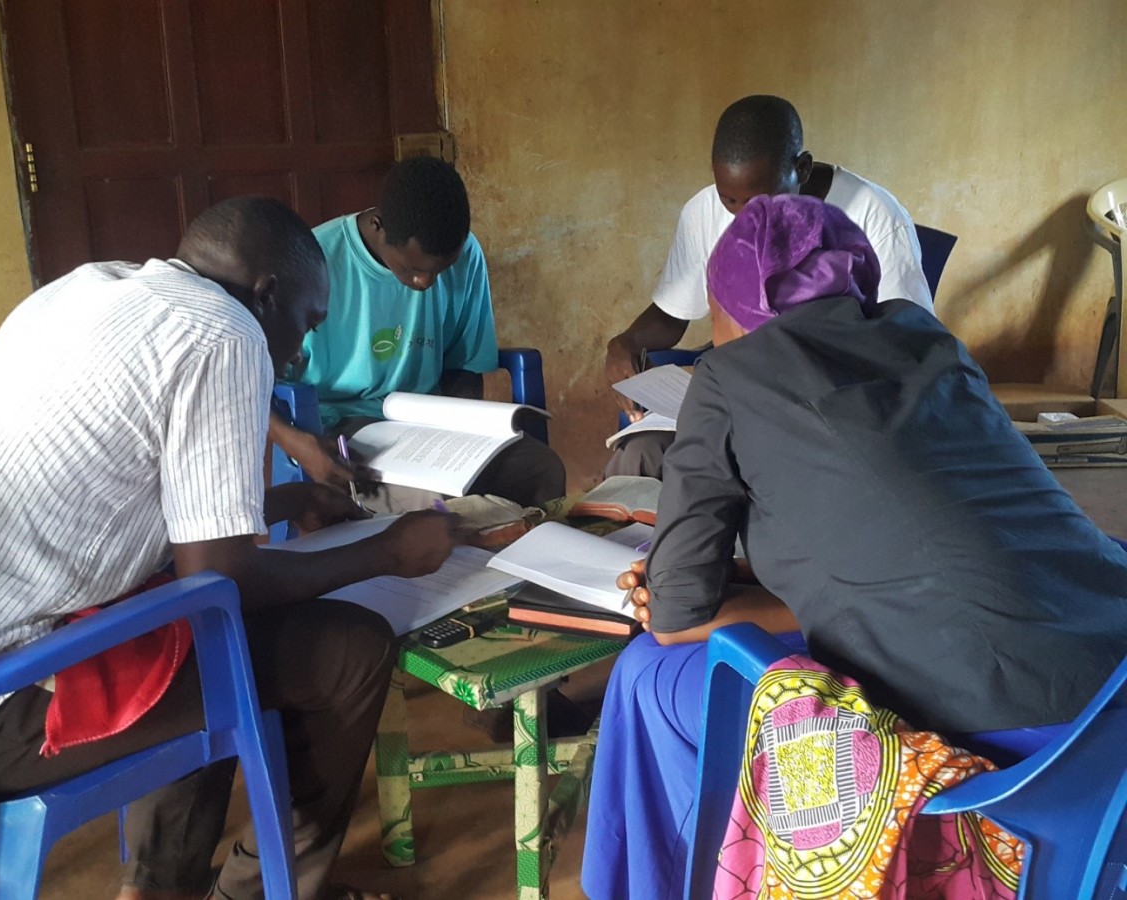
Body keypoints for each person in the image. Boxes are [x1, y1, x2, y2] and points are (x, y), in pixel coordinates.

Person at [582, 194, 1127, 899]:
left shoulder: (728, 375)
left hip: (1008, 719)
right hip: (1108, 688)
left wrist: (689, 597)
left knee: (648, 674)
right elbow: (908, 552)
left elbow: (676, 618)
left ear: (732, 309)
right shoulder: (927, 340)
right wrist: (741, 585)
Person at [0, 197, 460, 900]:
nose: (298, 354)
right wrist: (388, 552)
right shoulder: (226, 333)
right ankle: (254, 891)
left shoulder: (91, 286)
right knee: (347, 651)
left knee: (207, 634)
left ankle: (161, 885)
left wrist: (288, 504)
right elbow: (220, 580)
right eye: (306, 323)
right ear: (267, 294)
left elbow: (127, 505)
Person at [604, 94, 933, 479]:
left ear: (801, 169)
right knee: (642, 454)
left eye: (761, 201)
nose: (746, 218)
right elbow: (672, 312)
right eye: (729, 200)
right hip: (739, 391)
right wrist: (625, 342)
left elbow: (904, 345)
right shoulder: (704, 210)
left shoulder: (874, 216)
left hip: (830, 401)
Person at [269, 156, 567, 513]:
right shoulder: (312, 261)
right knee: (441, 503)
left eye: (440, 270)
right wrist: (298, 442)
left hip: (428, 424)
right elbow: (249, 381)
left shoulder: (467, 255)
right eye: (412, 268)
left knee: (542, 469)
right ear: (378, 226)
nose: (425, 282)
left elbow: (463, 368)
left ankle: (536, 548)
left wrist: (463, 435)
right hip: (339, 426)